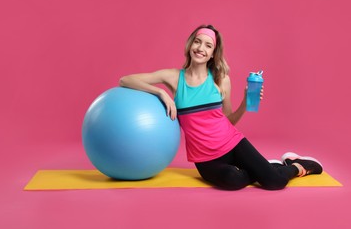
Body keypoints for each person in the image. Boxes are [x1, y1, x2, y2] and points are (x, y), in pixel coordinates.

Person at [119, 24, 323, 190]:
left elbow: (229, 120)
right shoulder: (173, 77)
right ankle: (266, 167)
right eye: (197, 42)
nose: (201, 48)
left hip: (232, 143)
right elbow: (125, 80)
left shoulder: (221, 79)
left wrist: (245, 102)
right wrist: (161, 92)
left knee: (275, 182)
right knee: (233, 181)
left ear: (212, 53)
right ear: (190, 45)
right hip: (205, 158)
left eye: (208, 45)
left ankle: (296, 165)